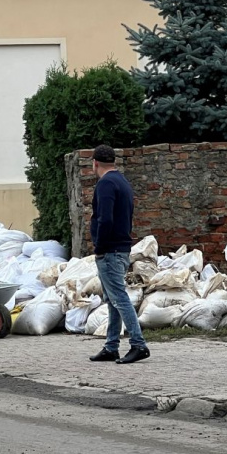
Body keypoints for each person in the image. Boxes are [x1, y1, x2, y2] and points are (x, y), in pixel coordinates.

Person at [87, 145, 151, 364]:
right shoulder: (122, 182)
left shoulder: (105, 184)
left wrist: (100, 246)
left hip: (110, 249)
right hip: (121, 247)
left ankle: (138, 344)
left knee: (119, 298)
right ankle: (111, 346)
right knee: (112, 299)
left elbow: (105, 219)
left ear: (95, 163)